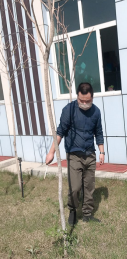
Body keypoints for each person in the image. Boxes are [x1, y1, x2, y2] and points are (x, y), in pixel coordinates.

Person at [45, 82, 105, 225]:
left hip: (90, 153)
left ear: (92, 98)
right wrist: (51, 152)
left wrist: (102, 151)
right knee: (75, 187)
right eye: (81, 100)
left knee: (89, 186)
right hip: (74, 154)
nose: (84, 103)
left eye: (87, 101)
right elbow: (60, 132)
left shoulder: (96, 112)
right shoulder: (69, 110)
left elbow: (99, 133)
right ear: (77, 97)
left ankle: (87, 213)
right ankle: (72, 210)